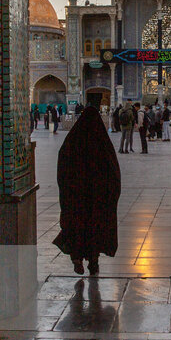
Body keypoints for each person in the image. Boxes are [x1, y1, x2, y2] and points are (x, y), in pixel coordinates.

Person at [53, 106, 119, 275]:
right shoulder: (102, 144)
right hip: (96, 199)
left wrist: (68, 190)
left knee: (76, 227)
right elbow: (113, 172)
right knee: (93, 228)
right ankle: (93, 261)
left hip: (76, 198)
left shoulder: (72, 142)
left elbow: (62, 167)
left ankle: (76, 258)